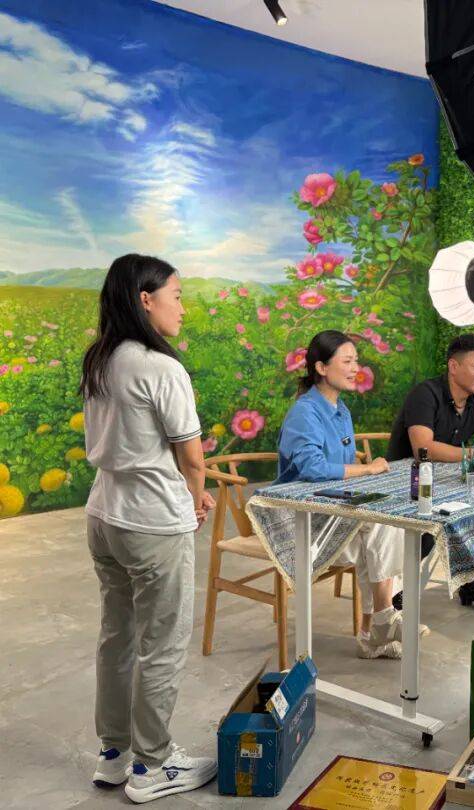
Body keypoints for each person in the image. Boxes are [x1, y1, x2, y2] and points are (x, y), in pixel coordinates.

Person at [81, 254, 218, 803]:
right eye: (176, 295)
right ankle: (152, 766)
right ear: (146, 298)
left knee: (117, 637)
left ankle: (114, 754)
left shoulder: (100, 359)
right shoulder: (161, 367)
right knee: (162, 644)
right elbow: (191, 458)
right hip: (152, 521)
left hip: (104, 514)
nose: (182, 307)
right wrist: (195, 498)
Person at [276, 330, 426, 659]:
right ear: (321, 368)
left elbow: (340, 471)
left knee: (387, 523)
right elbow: (313, 468)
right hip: (300, 520)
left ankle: (378, 628)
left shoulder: (341, 410)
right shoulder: (305, 412)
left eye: (356, 360)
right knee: (381, 525)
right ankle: (378, 626)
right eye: (347, 361)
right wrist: (367, 469)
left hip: (333, 509)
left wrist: (363, 474)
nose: (355, 367)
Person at [386, 333, 474, 608]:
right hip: (405, 486)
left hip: (446, 482)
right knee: (436, 519)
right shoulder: (425, 394)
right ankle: (398, 589)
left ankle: (470, 583)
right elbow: (423, 448)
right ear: (453, 366)